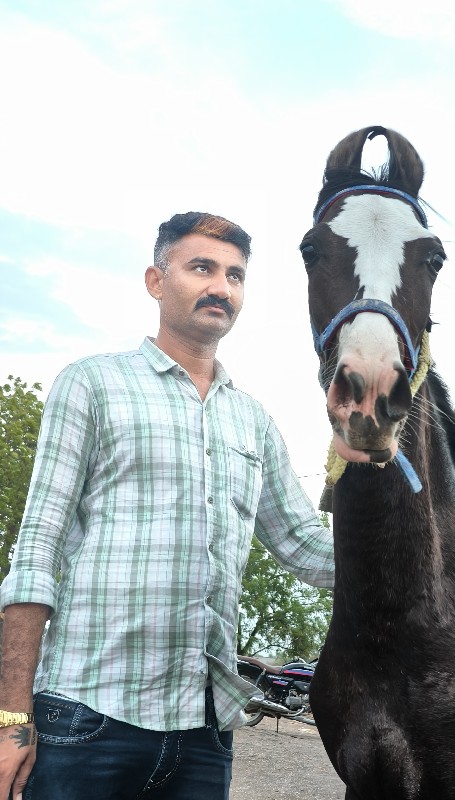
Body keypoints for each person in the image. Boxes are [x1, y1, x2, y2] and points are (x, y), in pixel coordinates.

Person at [0, 212, 336, 800]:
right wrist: (10, 719)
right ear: (157, 281)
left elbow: (308, 547)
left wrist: (450, 538)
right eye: (201, 268)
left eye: (235, 276)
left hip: (204, 735)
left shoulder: (253, 420)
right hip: (85, 719)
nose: (220, 287)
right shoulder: (91, 384)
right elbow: (37, 549)